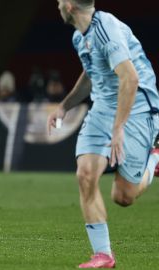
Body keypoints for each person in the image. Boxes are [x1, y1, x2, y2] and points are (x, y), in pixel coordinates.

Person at [48, 0, 159, 268]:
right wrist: (64, 107)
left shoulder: (106, 30)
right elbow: (90, 75)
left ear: (71, 7)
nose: (58, 4)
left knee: (123, 197)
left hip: (137, 108)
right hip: (103, 107)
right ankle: (104, 255)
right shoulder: (80, 36)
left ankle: (154, 157)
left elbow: (130, 78)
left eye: (62, 1)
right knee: (85, 173)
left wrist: (118, 128)